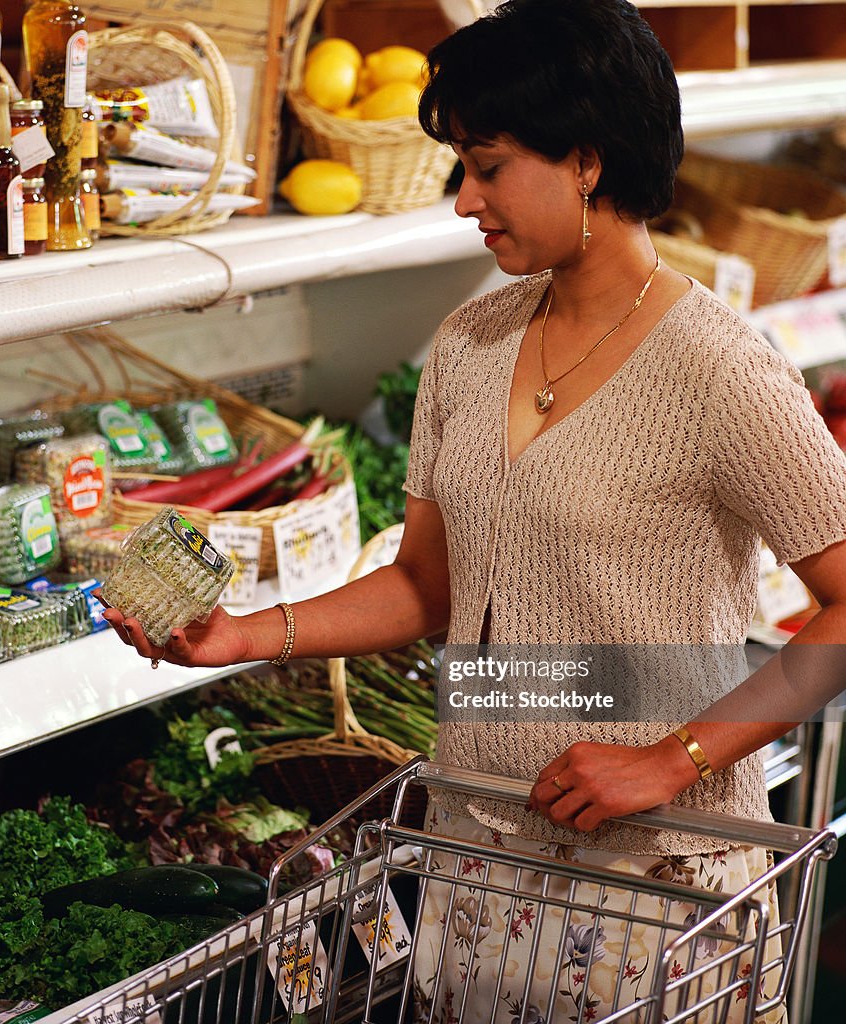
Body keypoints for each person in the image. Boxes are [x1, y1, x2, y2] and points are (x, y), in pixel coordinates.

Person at [102, 1, 846, 1019]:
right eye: (459, 166)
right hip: (477, 854)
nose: (463, 201)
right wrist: (240, 633)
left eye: (486, 166)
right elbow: (424, 583)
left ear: (584, 160)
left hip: (655, 889)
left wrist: (664, 762)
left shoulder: (721, 368)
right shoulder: (467, 342)